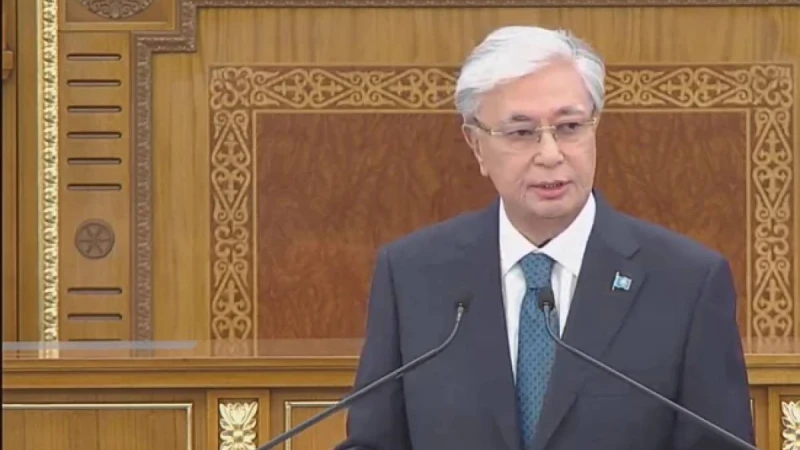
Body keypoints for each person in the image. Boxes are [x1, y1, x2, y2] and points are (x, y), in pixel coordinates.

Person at [335, 25, 754, 450]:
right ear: (476, 145)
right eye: (521, 132)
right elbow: (373, 442)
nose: (550, 155)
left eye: (569, 127)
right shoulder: (412, 276)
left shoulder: (686, 283)